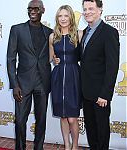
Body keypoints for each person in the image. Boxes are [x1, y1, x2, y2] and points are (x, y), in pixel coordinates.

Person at [7, 0, 52, 149]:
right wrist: (14, 85)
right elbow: (11, 58)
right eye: (30, 9)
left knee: (41, 120)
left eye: (36, 9)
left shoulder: (49, 32)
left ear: (42, 10)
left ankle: (38, 147)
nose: (32, 11)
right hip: (23, 83)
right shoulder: (17, 30)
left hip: (43, 82)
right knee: (20, 120)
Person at [80, 0, 120, 149]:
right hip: (86, 93)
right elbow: (83, 58)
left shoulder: (109, 32)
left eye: (91, 8)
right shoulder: (85, 32)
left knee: (102, 131)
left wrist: (105, 94)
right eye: (85, 9)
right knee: (91, 131)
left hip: (100, 95)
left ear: (100, 10)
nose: (87, 12)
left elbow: (112, 66)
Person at [49, 5, 82, 150]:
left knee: (72, 117)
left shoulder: (79, 34)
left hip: (74, 76)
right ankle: (67, 145)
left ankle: (75, 145)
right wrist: (54, 60)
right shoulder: (52, 36)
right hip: (58, 77)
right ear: (57, 18)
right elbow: (51, 57)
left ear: (71, 18)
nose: (63, 19)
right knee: (63, 116)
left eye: (66, 15)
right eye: (60, 16)